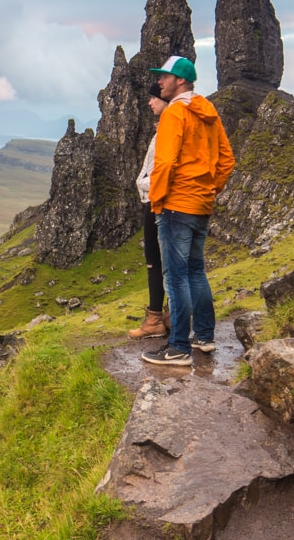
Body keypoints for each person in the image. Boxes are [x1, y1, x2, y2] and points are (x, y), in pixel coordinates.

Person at [141, 55, 235, 366]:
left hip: (176, 204)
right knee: (195, 270)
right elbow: (226, 159)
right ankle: (204, 337)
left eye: (164, 76)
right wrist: (210, 189)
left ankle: (178, 347)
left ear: (180, 80)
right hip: (200, 204)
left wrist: (157, 199)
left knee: (175, 276)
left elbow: (165, 162)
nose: (159, 81)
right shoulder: (208, 111)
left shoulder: (174, 112)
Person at [129, 82, 170, 339]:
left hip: (156, 202)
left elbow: (162, 173)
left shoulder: (167, 132)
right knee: (161, 261)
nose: (150, 102)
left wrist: (141, 183)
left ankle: (156, 318)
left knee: (155, 261)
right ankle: (167, 314)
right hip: (156, 201)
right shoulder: (163, 129)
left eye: (154, 97)